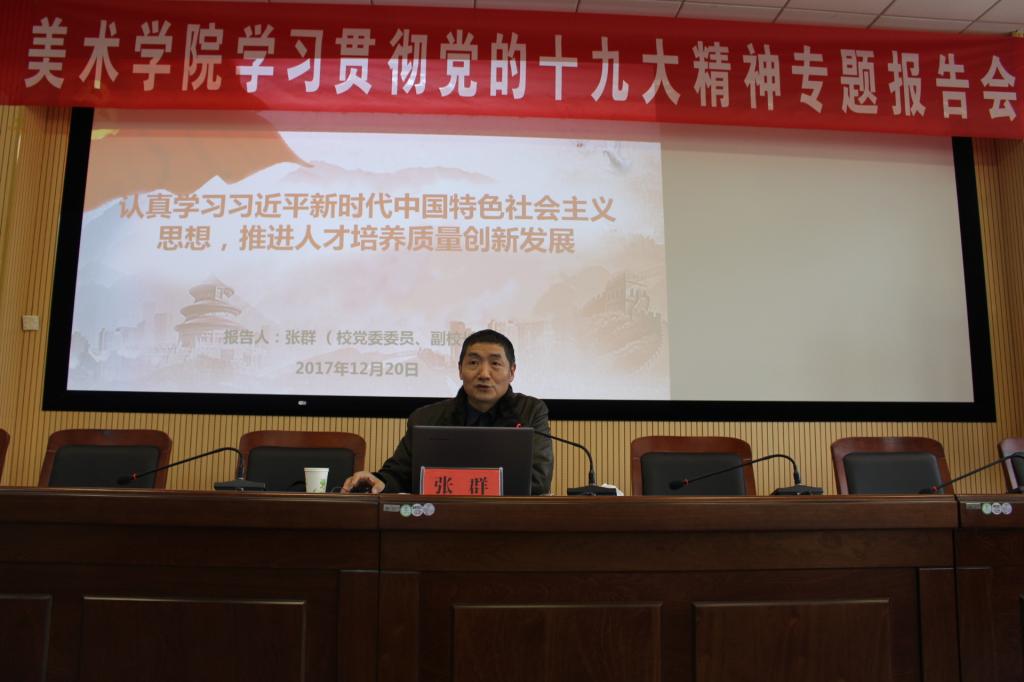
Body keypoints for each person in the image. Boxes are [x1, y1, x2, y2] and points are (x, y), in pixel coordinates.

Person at [341, 329, 553, 495]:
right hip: (439, 519)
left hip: (507, 520)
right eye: (473, 363)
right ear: (460, 369)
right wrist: (378, 480)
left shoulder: (530, 412)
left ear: (512, 372)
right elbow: (399, 474)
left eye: (495, 364)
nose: (484, 374)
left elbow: (537, 481)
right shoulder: (426, 418)